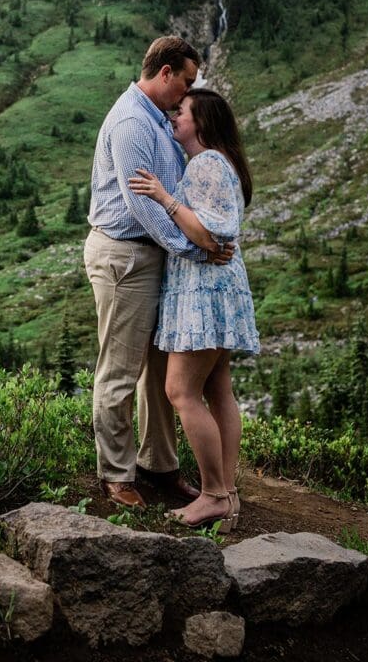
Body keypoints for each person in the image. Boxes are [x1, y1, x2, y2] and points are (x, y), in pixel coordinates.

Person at [84, 36, 234, 509]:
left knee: (158, 371)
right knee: (121, 370)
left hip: (154, 258)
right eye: (186, 81)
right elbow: (140, 204)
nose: (187, 93)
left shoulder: (156, 119)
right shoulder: (132, 121)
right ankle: (117, 474)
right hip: (127, 257)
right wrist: (188, 249)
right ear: (165, 73)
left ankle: (160, 466)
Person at [128, 88, 259, 530]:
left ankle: (214, 495)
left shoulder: (206, 163)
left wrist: (164, 197)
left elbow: (212, 235)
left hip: (205, 290)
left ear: (201, 122)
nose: (174, 115)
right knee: (218, 389)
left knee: (180, 391)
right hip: (218, 288)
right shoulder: (221, 162)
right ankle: (229, 493)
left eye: (181, 111)